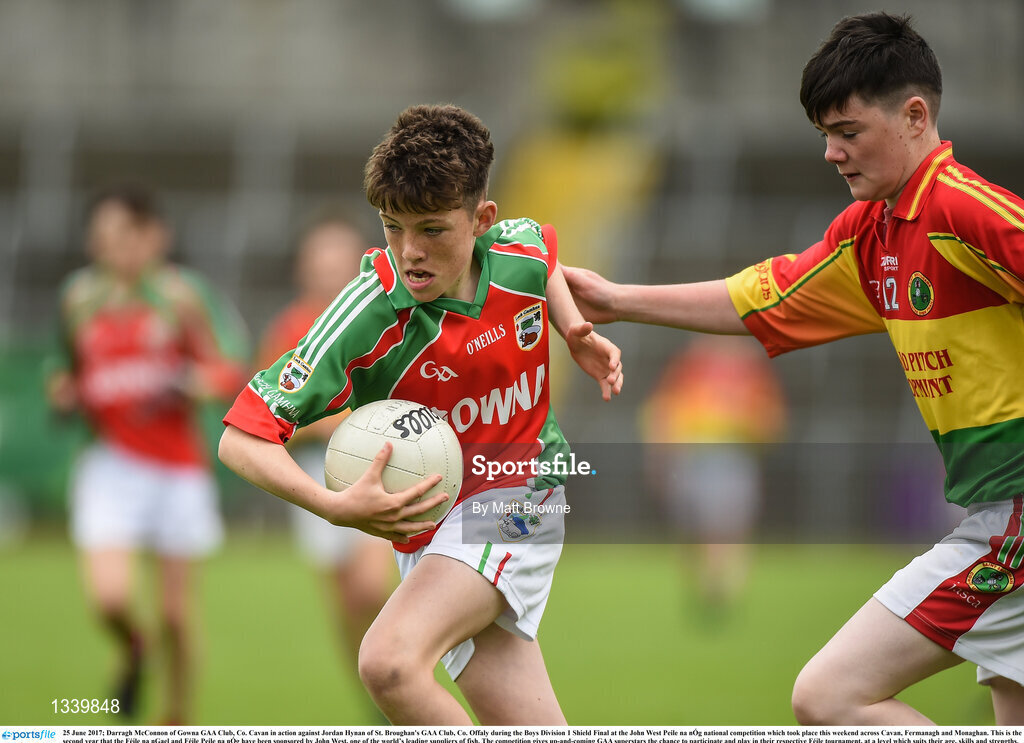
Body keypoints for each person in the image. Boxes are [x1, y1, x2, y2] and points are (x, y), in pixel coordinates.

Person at [563, 12, 1024, 725]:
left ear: (913, 115)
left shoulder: (964, 209)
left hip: (1015, 520)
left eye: (848, 132)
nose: (832, 153)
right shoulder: (873, 234)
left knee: (829, 694)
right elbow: (764, 296)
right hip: (992, 510)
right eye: (824, 136)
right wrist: (618, 299)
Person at [218, 103, 624, 724]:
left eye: (432, 230)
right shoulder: (367, 314)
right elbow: (240, 438)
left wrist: (574, 329)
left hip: (522, 494)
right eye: (392, 227)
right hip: (430, 532)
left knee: (388, 663)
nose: (410, 252)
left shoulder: (513, 249)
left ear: (481, 219)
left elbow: (542, 256)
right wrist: (330, 505)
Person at [46, 182, 247, 724]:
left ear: (154, 235)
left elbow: (228, 367)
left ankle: (176, 720)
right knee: (110, 599)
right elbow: (62, 369)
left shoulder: (183, 296)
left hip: (178, 468)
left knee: (177, 617)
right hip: (109, 466)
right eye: (103, 234)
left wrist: (187, 382)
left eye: (125, 233)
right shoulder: (78, 298)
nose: (114, 245)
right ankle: (135, 650)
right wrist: (62, 389)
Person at [254, 207, 397, 719]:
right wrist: (332, 426)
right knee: (346, 604)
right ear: (304, 267)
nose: (328, 268)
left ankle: (401, 667)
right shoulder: (290, 328)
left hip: (377, 466)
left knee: (372, 587)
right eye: (319, 258)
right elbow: (272, 423)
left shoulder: (384, 314)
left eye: (338, 257)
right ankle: (374, 691)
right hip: (317, 475)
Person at [639, 335, 785, 616]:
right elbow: (663, 411)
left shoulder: (749, 365)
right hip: (691, 456)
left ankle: (720, 591)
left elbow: (771, 419)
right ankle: (709, 589)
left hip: (733, 456)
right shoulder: (690, 362)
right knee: (696, 529)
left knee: (727, 528)